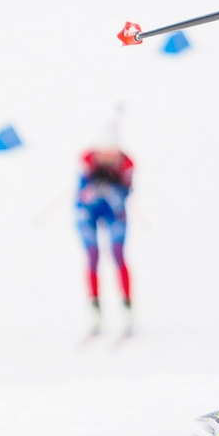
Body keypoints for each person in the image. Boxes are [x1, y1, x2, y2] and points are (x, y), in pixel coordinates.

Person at [76, 144, 133, 338]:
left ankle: (126, 309)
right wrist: (92, 193)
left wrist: (112, 192)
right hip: (89, 212)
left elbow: (126, 192)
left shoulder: (126, 164)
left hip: (113, 211)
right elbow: (81, 196)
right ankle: (95, 311)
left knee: (117, 253)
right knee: (92, 255)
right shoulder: (87, 162)